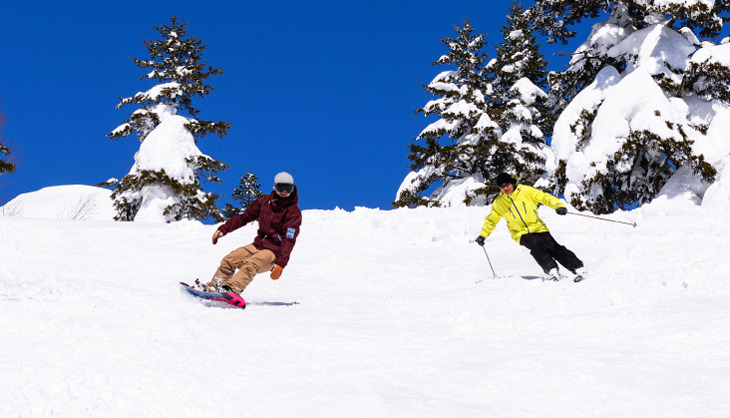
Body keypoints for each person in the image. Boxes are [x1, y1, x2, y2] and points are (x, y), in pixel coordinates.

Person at [201, 171, 302, 294]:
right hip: (257, 245)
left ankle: (232, 289)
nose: (284, 192)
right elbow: (244, 217)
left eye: (288, 188)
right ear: (275, 187)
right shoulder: (264, 202)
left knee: (251, 264)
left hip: (273, 251)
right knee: (230, 259)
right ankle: (215, 285)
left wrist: (281, 263)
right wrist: (223, 229)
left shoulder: (293, 212)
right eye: (281, 187)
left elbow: (289, 239)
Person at [475, 172, 587, 282]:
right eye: (502, 187)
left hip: (538, 227)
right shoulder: (499, 203)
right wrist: (483, 235)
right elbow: (491, 221)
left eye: (507, 184)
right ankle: (551, 269)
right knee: (535, 244)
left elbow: (545, 198)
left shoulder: (526, 191)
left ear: (512, 183)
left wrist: (558, 206)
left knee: (553, 247)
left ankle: (578, 267)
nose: (505, 188)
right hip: (520, 233)